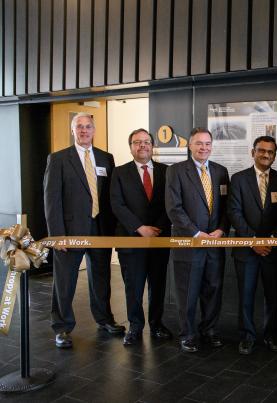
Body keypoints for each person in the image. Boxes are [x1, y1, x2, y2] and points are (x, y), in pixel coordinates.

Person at [44, 112, 124, 349]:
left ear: (94, 130)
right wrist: (57, 235)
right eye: (79, 127)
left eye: (88, 127)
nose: (84, 131)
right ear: (73, 130)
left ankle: (104, 319)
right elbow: (51, 200)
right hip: (69, 231)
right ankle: (62, 327)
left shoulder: (105, 158)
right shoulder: (58, 159)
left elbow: (111, 196)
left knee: (101, 276)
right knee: (65, 280)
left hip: (100, 227)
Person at [165, 128, 230, 352]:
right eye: (199, 143)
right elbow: (174, 208)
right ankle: (188, 334)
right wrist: (195, 233)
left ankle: (209, 330)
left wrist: (221, 229)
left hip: (214, 243)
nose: (204, 147)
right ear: (190, 146)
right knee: (188, 292)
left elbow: (226, 208)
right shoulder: (176, 171)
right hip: (189, 243)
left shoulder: (221, 172)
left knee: (213, 290)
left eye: (207, 143)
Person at [110, 128, 172, 345]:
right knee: (133, 286)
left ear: (152, 145)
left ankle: (156, 325)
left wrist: (158, 228)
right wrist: (139, 227)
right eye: (137, 142)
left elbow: (171, 204)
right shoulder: (119, 172)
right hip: (130, 239)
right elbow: (117, 204)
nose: (142, 145)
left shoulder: (167, 172)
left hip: (159, 238)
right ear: (131, 147)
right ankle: (135, 326)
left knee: (158, 285)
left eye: (146, 142)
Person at [227, 136, 277, 355]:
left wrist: (270, 239)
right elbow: (234, 212)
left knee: (272, 296)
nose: (266, 155)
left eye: (271, 152)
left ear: (274, 155)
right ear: (253, 152)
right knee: (246, 295)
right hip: (246, 249)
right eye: (261, 151)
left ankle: (271, 335)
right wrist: (253, 241)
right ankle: (247, 336)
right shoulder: (239, 179)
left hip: (273, 249)